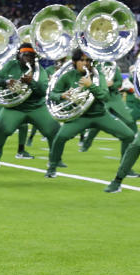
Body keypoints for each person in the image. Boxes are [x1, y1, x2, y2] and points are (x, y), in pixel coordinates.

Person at [45, 49, 134, 178]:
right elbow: (53, 94)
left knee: (129, 135)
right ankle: (52, 166)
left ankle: (126, 168)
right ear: (75, 62)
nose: (85, 63)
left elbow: (105, 97)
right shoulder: (68, 76)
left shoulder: (98, 76)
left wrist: (90, 85)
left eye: (88, 60)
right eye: (82, 60)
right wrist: (62, 95)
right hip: (79, 116)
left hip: (100, 115)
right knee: (60, 137)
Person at [0, 44, 60, 168]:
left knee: (53, 129)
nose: (28, 58)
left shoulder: (39, 70)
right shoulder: (10, 65)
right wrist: (6, 82)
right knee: (0, 128)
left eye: (31, 56)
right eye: (25, 55)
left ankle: (55, 160)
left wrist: (31, 82)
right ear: (18, 56)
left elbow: (43, 91)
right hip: (14, 108)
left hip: (36, 106)